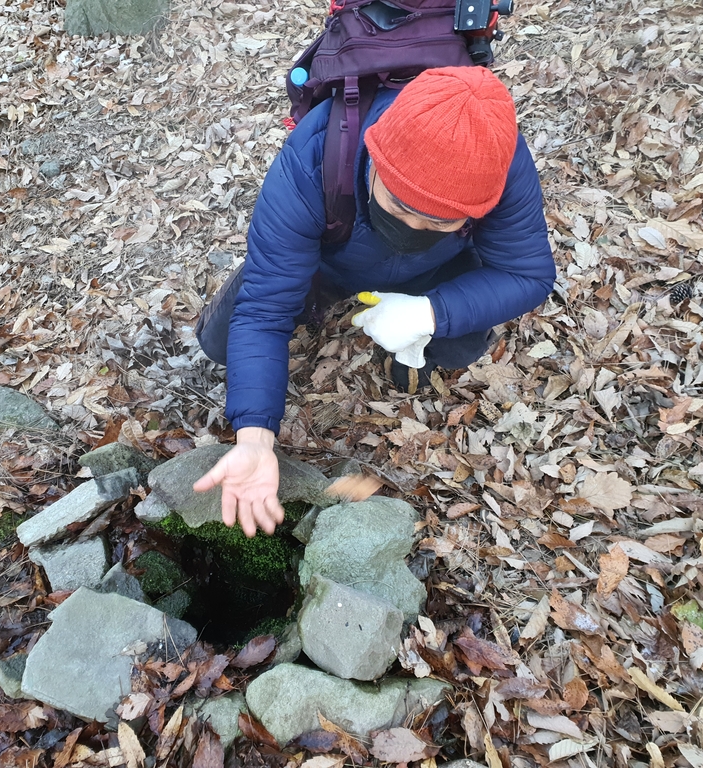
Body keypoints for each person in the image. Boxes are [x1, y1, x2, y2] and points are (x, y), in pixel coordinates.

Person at [192, 66, 555, 537]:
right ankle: (288, 290)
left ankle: (417, 319)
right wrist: (256, 437)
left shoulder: (497, 163)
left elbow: (527, 273)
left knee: (458, 348)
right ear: (375, 157)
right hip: (329, 259)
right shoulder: (316, 154)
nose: (413, 228)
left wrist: (430, 312)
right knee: (225, 341)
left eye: (440, 221)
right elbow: (264, 312)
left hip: (433, 273)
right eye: (400, 206)